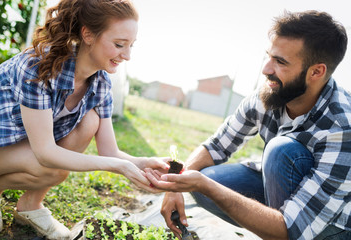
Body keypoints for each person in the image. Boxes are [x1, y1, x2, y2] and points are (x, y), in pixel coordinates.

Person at [146, 10, 351, 240]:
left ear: (316, 72)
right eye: (269, 57)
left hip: (331, 226)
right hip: (285, 201)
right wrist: (177, 185)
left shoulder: (342, 127)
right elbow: (216, 146)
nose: (266, 69)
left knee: (281, 151)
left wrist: (207, 186)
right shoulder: (269, 95)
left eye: (280, 62)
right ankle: (268, 224)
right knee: (207, 176)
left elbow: (292, 230)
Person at [0, 0, 170, 239]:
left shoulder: (100, 83)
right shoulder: (37, 66)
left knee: (89, 122)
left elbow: (110, 152)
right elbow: (45, 153)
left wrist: (142, 162)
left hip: (18, 149)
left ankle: (31, 206)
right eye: (119, 44)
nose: (126, 55)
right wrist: (118, 167)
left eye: (130, 46)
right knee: (51, 166)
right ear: (87, 34)